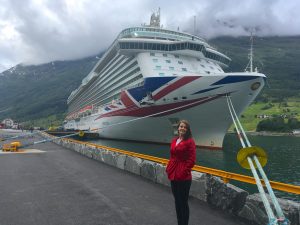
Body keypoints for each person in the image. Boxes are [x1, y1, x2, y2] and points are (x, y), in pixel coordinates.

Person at [166, 120, 196, 225]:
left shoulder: (190, 141)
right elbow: (172, 156)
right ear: (178, 128)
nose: (182, 128)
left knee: (183, 202)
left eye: (185, 127)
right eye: (181, 126)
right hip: (173, 173)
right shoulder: (174, 141)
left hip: (183, 176)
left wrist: (184, 171)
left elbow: (192, 160)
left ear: (187, 130)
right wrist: (169, 166)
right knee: (177, 201)